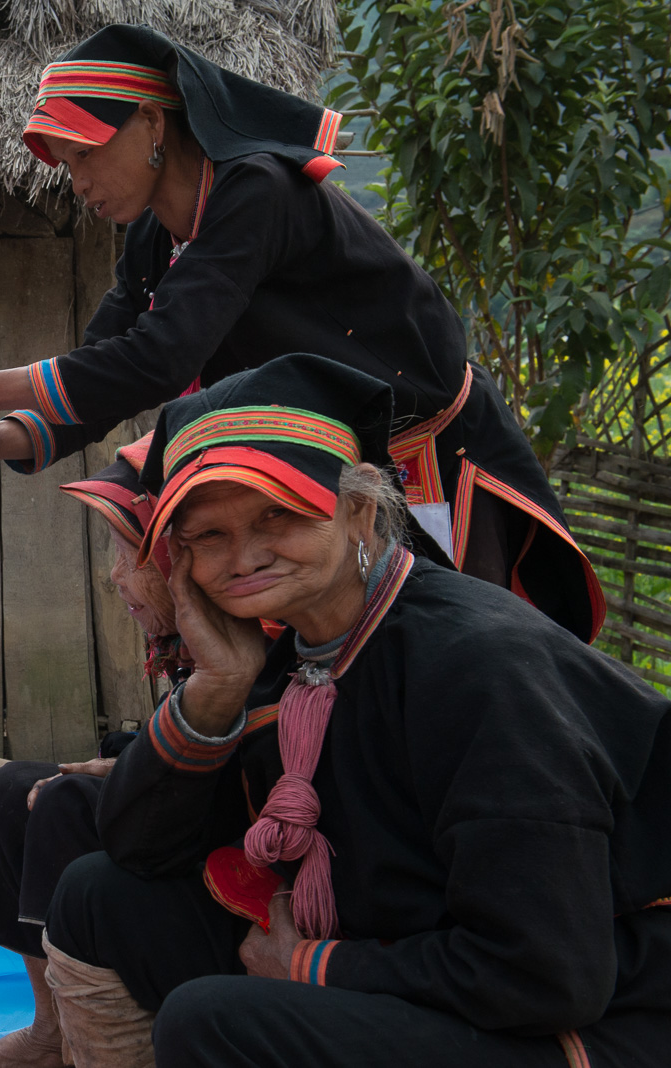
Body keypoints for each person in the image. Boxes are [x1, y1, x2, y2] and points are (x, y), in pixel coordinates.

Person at [0, 23, 603, 644]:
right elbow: (103, 374)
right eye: (67, 167)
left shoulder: (257, 189)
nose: (78, 184)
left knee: (461, 663)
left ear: (154, 125)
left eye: (86, 155)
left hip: (430, 461)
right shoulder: (154, 240)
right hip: (337, 479)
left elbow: (159, 359)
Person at [36, 353, 671, 1067]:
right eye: (208, 535)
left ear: (361, 511)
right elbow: (139, 848)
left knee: (213, 1021)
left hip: (600, 1021)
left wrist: (317, 969)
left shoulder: (481, 670)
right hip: (413, 956)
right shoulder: (293, 656)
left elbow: (546, 973)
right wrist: (217, 685)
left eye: (280, 513)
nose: (245, 556)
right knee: (102, 893)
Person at [0, 435, 191, 1068]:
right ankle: (52, 1030)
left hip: (220, 862)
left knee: (61, 802)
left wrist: (141, 770)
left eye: (128, 551)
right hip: (180, 822)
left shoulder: (245, 641)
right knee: (12, 791)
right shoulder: (184, 646)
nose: (113, 576)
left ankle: (99, 1052)